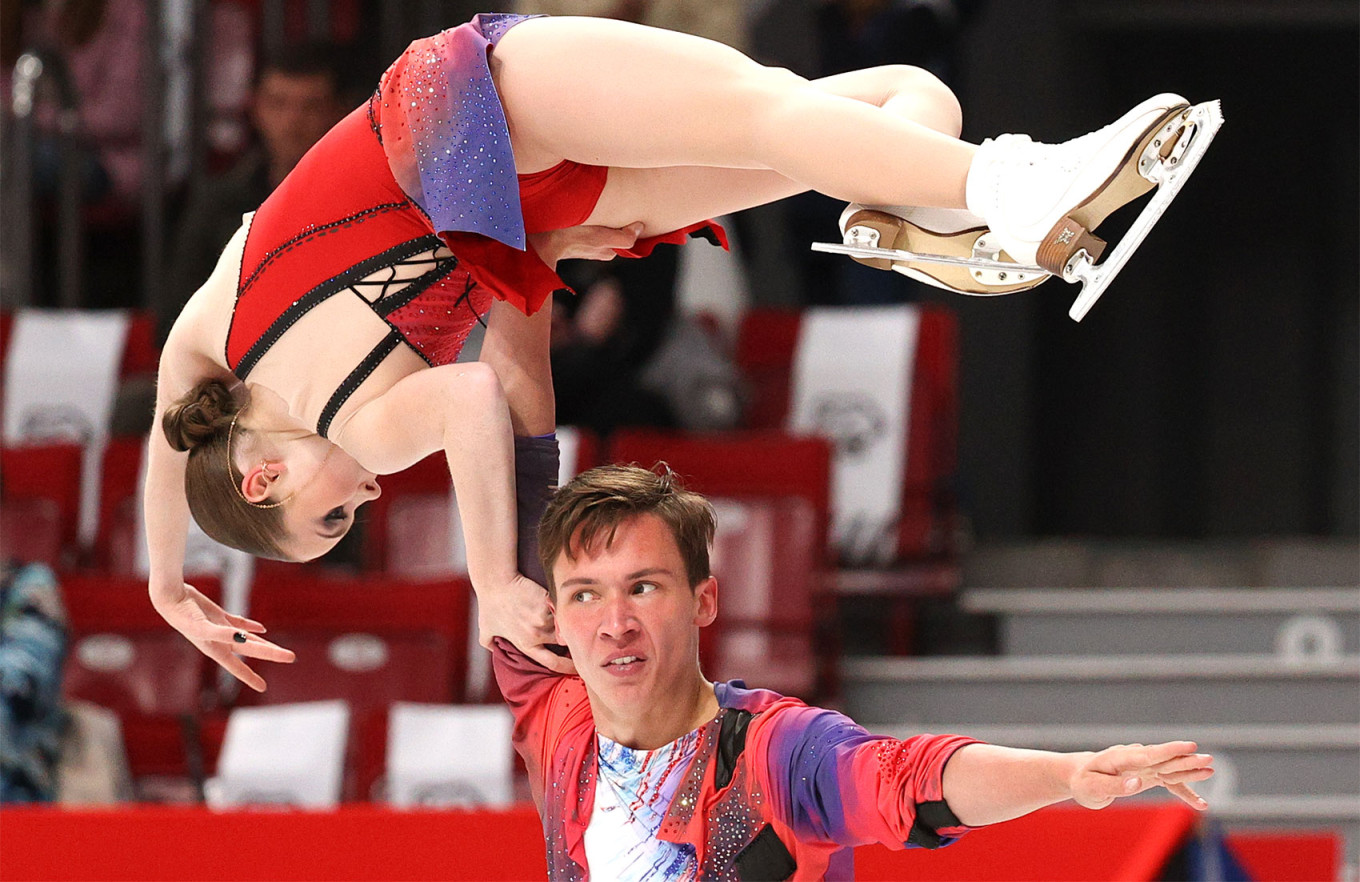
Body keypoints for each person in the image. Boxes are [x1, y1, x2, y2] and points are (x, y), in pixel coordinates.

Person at [145, 12, 1212, 691]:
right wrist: (161, 581)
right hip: (512, 187)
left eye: (328, 515)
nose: (366, 503)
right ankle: (964, 205)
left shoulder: (359, 425)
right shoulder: (212, 333)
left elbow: (475, 403)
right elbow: (511, 375)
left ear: (267, 470)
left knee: (785, 118)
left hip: (469, 120)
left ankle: (997, 194)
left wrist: (492, 580)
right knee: (862, 104)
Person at [495, 460, 1215, 878]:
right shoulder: (556, 716)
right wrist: (532, 258)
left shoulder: (775, 753)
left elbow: (909, 779)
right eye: (586, 594)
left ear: (703, 601)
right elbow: (512, 455)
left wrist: (1063, 776)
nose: (614, 622)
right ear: (554, 614)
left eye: (644, 587)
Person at [159, 41, 350, 342]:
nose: (292, 121)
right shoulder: (220, 202)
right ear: (256, 108)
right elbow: (176, 316)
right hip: (234, 365)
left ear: (338, 112)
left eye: (310, 106)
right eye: (278, 104)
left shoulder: (365, 203)